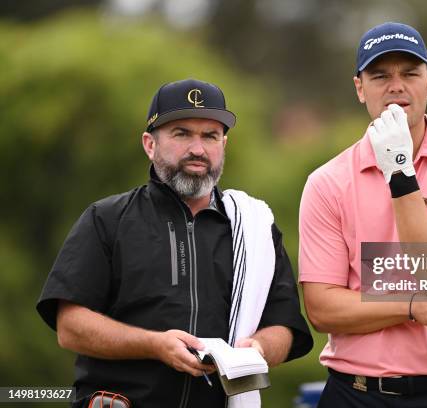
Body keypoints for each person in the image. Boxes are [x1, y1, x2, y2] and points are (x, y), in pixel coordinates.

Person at [37, 78, 313, 408]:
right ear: (149, 144)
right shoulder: (107, 218)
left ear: (224, 145)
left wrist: (257, 349)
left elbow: (284, 326)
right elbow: (70, 327)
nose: (197, 148)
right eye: (181, 133)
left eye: (210, 135)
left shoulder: (255, 226)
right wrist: (154, 344)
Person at [299, 22, 427, 407]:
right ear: (360, 87)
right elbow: (322, 308)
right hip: (354, 392)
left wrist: (399, 171)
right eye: (379, 75)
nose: (396, 86)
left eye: (410, 73)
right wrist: (411, 306)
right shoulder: (327, 182)